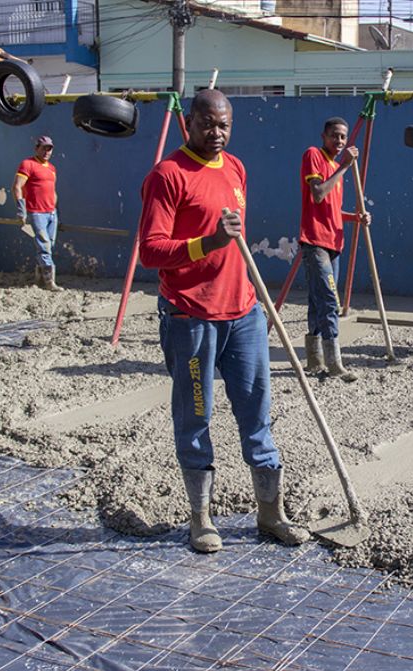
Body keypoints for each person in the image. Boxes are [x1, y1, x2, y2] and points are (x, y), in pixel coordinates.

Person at [138, 90, 309, 553]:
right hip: (191, 317)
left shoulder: (235, 168)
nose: (217, 134)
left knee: (257, 414)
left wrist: (245, 286)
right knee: (195, 416)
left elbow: (236, 237)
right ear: (188, 124)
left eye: (225, 125)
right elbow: (150, 250)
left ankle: (271, 513)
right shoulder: (167, 176)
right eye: (208, 124)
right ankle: (201, 519)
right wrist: (206, 242)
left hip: (245, 313)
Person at [298, 117, 370, 382]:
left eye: (343, 137)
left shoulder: (334, 166)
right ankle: (334, 362)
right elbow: (318, 194)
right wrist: (343, 167)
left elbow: (331, 210)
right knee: (330, 299)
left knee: (318, 300)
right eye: (334, 136)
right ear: (323, 136)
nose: (339, 142)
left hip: (334, 241)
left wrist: (356, 218)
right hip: (315, 240)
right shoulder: (314, 155)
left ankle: (314, 360)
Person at [13, 135, 62, 291]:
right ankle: (49, 283)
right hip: (36, 212)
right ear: (37, 148)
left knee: (49, 245)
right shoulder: (28, 164)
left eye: (50, 148)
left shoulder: (52, 168)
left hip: (51, 213)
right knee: (44, 246)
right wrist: (21, 209)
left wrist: (55, 209)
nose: (47, 151)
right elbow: (17, 186)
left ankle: (40, 279)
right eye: (44, 148)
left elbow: (52, 191)